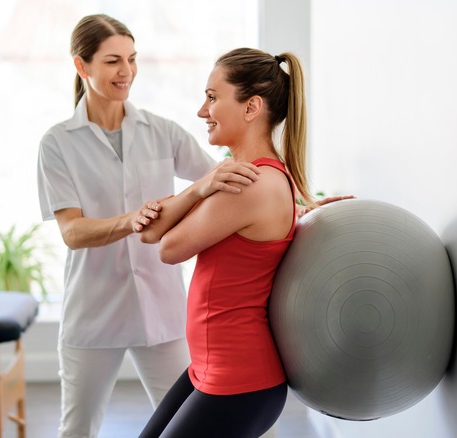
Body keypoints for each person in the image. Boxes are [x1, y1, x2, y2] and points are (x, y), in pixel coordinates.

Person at [36, 15, 260, 438]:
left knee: (183, 424)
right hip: (93, 311)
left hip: (160, 310)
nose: (126, 72)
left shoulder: (161, 131)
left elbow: (225, 178)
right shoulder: (58, 143)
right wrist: (129, 221)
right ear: (82, 67)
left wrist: (302, 202)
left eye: (132, 59)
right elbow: (72, 232)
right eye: (113, 61)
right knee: (77, 429)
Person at [136, 48, 353, 437]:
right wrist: (201, 186)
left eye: (213, 97)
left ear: (251, 107)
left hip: (238, 381)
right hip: (211, 368)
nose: (203, 111)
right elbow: (150, 232)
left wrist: (199, 190)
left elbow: (169, 250)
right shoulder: (239, 176)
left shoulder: (247, 185)